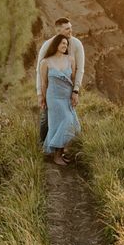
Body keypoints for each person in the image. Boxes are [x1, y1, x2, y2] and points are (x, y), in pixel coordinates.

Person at [36, 17, 85, 141]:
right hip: (51, 90)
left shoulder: (77, 44)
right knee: (46, 118)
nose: (71, 31)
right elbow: (39, 71)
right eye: (67, 29)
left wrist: (76, 90)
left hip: (68, 89)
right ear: (58, 31)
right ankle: (43, 147)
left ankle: (69, 148)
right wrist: (40, 94)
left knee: (68, 118)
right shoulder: (47, 45)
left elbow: (80, 69)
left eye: (71, 28)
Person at [40, 34, 81, 166]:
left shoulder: (70, 60)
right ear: (56, 44)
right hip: (53, 97)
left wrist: (75, 93)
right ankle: (56, 156)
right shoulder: (45, 62)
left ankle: (61, 153)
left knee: (69, 124)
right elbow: (44, 83)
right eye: (63, 43)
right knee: (61, 123)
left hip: (67, 97)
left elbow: (73, 79)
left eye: (66, 44)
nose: (65, 46)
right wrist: (43, 98)